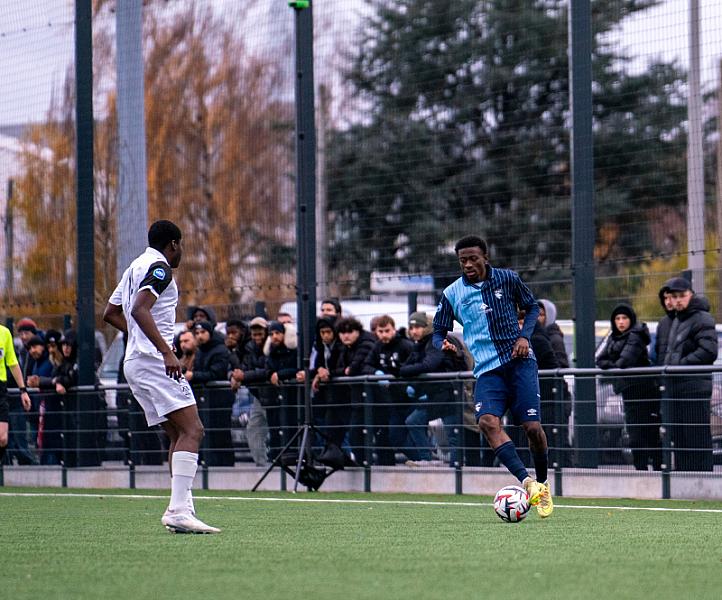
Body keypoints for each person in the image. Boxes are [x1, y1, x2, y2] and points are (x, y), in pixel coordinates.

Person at [103, 219, 220, 534]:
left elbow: (110, 313)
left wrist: (141, 340)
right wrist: (166, 351)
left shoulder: (133, 268)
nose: (181, 252)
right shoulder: (160, 269)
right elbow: (140, 310)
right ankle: (178, 510)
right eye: (181, 246)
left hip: (135, 362)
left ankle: (182, 508)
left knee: (178, 434)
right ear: (173, 244)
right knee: (193, 430)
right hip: (155, 362)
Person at [432, 235, 553, 517]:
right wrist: (442, 344)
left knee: (532, 428)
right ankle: (528, 482)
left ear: (485, 257)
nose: (468, 264)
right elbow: (437, 331)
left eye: (473, 258)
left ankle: (543, 483)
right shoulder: (452, 293)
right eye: (463, 260)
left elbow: (532, 307)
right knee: (487, 422)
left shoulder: (507, 279)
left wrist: (524, 337)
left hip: (520, 362)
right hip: (487, 370)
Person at [655, 277, 717, 472]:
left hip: (694, 388)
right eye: (674, 297)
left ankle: (702, 480)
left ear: (691, 295)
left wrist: (679, 366)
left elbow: (708, 351)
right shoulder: (676, 320)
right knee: (680, 438)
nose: (678, 300)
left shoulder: (702, 318)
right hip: (678, 387)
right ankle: (684, 478)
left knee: (696, 438)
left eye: (682, 296)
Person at [596, 303, 661, 470]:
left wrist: (612, 365)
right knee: (635, 433)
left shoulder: (636, 336)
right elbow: (600, 360)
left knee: (648, 432)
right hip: (628, 390)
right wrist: (614, 365)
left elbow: (624, 362)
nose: (621, 322)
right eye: (617, 318)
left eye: (624, 318)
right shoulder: (614, 337)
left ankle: (657, 468)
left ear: (631, 319)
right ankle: (641, 469)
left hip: (644, 390)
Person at [400, 312, 459, 466]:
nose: (414, 331)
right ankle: (427, 459)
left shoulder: (434, 341)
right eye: (411, 327)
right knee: (413, 421)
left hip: (448, 394)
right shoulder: (420, 344)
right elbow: (408, 366)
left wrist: (405, 371)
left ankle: (456, 469)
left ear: (427, 327)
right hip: (435, 395)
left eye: (418, 327)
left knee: (453, 435)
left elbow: (429, 364)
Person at [361, 314, 414, 465]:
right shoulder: (377, 347)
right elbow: (366, 365)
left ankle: (423, 459)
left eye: (387, 331)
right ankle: (420, 459)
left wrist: (411, 386)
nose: (384, 335)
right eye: (380, 331)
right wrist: (377, 373)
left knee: (412, 431)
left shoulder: (405, 345)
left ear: (393, 330)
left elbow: (415, 366)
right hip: (393, 401)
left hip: (409, 399)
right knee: (395, 436)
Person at [187, 321, 234, 467]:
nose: (200, 336)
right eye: (197, 333)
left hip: (219, 399)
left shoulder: (220, 350)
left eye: (203, 332)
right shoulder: (201, 351)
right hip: (206, 399)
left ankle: (224, 463)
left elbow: (216, 373)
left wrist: (193, 376)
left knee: (220, 432)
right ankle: (209, 461)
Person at [233, 317, 273, 466]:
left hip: (273, 395)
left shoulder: (272, 346)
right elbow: (244, 367)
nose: (257, 338)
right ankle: (261, 463)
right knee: (253, 429)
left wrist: (244, 376)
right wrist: (235, 376)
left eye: (260, 334)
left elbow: (267, 370)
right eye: (254, 334)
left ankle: (275, 462)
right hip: (259, 396)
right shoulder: (249, 348)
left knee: (273, 430)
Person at [0, 323, 32, 465]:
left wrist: (23, 390)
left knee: (3, 439)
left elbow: (13, 363)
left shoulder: (4, 333)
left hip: (1, 389)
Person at [537, 299, 569, 368]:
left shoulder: (555, 339)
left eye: (541, 315)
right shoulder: (534, 336)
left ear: (549, 316)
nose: (537, 318)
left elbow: (562, 365)